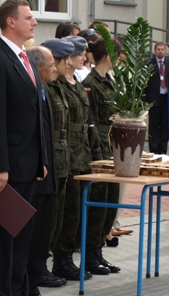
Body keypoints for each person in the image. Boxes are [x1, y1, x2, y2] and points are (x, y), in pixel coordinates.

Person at [0, 0, 49, 296]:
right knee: (4, 239)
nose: (34, 22)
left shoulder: (27, 57)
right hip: (8, 166)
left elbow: (36, 115)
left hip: (29, 163)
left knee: (22, 237)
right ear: (10, 22)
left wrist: (42, 158)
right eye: (28, 17)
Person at [50, 37, 104, 279]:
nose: (84, 57)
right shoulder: (57, 85)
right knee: (66, 211)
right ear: (67, 59)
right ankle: (61, 259)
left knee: (77, 210)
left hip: (81, 154)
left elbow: (87, 122)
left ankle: (71, 257)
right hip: (67, 157)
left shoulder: (78, 84)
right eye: (79, 54)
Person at [25, 45, 64, 294]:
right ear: (38, 67)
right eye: (51, 65)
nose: (55, 69)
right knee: (33, 231)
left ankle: (36, 279)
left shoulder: (44, 89)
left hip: (47, 169)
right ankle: (30, 282)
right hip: (36, 172)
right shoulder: (31, 89)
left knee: (43, 230)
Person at [83, 37, 121, 274]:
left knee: (110, 202)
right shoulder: (90, 84)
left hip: (113, 150)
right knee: (98, 205)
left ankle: (99, 252)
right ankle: (90, 254)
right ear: (108, 57)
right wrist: (99, 153)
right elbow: (92, 122)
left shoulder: (109, 81)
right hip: (100, 151)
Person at [40, 39, 73, 285]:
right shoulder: (47, 89)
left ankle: (54, 262)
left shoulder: (57, 86)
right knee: (48, 217)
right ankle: (40, 265)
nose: (68, 64)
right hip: (50, 160)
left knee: (60, 214)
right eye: (65, 59)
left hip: (63, 158)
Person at [145, 42, 169, 154]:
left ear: (165, 51)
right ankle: (154, 149)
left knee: (165, 124)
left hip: (167, 98)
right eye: (158, 49)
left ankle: (162, 148)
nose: (160, 51)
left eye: (162, 49)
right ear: (155, 51)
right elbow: (145, 83)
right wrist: (145, 100)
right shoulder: (149, 64)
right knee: (154, 125)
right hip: (154, 98)